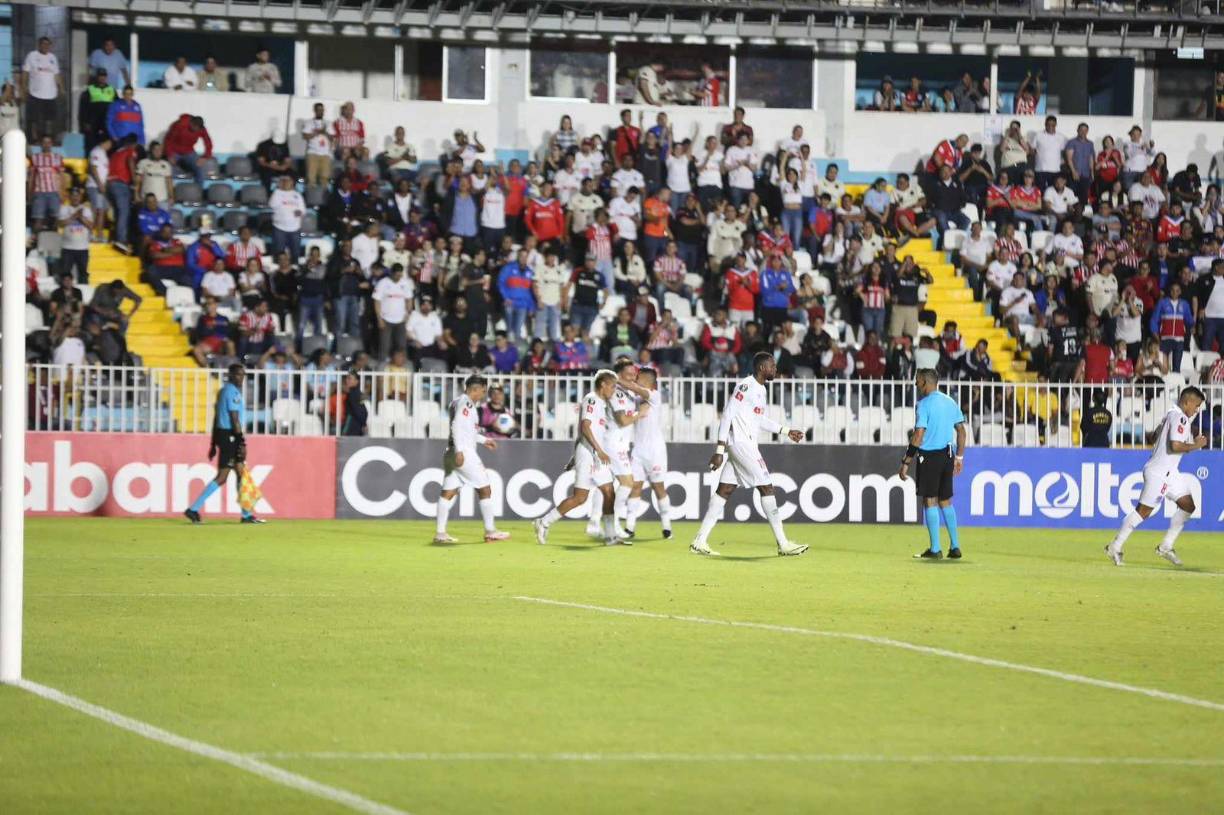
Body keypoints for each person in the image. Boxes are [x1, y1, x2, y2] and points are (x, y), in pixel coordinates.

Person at [690, 352, 809, 557]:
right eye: (772, 366)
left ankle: (699, 541)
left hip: (744, 444)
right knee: (766, 487)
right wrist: (719, 450)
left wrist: (786, 431)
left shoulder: (761, 389)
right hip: (742, 445)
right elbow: (727, 414)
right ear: (762, 368)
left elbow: (759, 420)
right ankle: (783, 544)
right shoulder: (745, 386)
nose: (775, 369)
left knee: (725, 490)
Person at [1106, 387, 1208, 567]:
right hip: (1159, 473)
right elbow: (1175, 446)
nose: (1197, 410)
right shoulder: (1180, 418)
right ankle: (1115, 546)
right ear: (1187, 402)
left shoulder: (1170, 414)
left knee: (1188, 506)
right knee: (1142, 512)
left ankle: (1166, 546)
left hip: (1170, 472)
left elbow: (1153, 437)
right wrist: (1196, 445)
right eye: (1196, 405)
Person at [533, 370, 626, 547]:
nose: (614, 390)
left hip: (593, 454)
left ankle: (610, 536)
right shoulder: (592, 399)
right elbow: (585, 427)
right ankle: (543, 522)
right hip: (590, 454)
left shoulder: (602, 403)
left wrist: (575, 456)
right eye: (613, 386)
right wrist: (597, 450)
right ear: (603, 385)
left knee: (609, 492)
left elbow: (584, 431)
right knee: (580, 498)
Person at [898, 368, 967, 559]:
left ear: (925, 383)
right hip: (948, 455)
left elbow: (919, 434)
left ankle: (935, 549)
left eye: (917, 380)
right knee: (945, 500)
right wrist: (959, 457)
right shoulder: (950, 402)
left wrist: (906, 461)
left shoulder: (923, 405)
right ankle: (955, 546)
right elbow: (961, 431)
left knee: (930, 500)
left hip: (929, 456)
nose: (916, 384)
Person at [433, 374, 511, 544]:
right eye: (483, 390)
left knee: (447, 493)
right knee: (485, 489)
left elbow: (467, 431)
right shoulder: (466, 404)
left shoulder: (457, 402)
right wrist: (460, 451)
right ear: (477, 389)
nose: (484, 394)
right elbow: (456, 426)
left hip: (451, 451)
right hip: (464, 452)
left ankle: (440, 533)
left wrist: (484, 440)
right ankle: (490, 531)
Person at [184, 364, 265, 524]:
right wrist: (241, 441)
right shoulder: (233, 393)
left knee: (241, 473)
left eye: (243, 375)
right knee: (222, 477)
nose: (241, 378)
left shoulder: (223, 391)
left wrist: (213, 443)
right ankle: (193, 509)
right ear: (230, 375)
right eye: (238, 374)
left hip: (224, 435)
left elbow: (216, 418)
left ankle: (246, 515)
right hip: (230, 436)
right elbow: (234, 418)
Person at [21, 37, 63, 141]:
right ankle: (33, 139)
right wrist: (24, 87)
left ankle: (48, 139)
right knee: (34, 119)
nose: (46, 46)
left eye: (48, 44)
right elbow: (25, 72)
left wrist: (61, 88)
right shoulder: (32, 55)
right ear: (39, 45)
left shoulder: (53, 57)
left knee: (50, 120)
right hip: (35, 94)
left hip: (51, 95)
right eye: (43, 44)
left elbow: (57, 74)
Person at [373, 263, 414, 362]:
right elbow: (377, 301)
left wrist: (408, 314)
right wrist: (379, 319)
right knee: (385, 345)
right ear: (391, 273)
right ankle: (382, 365)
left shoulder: (405, 283)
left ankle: (402, 366)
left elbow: (409, 299)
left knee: (401, 345)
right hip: (386, 319)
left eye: (400, 275)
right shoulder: (382, 283)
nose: (398, 277)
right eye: (396, 275)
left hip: (401, 320)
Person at [268, 175, 305, 262]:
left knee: (295, 253)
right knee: (278, 253)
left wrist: (299, 212)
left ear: (292, 182)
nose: (286, 182)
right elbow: (272, 205)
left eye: (288, 181)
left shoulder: (297, 195)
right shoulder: (277, 193)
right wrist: (278, 189)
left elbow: (302, 210)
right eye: (283, 181)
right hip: (279, 228)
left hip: (295, 228)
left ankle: (294, 268)